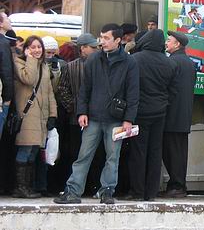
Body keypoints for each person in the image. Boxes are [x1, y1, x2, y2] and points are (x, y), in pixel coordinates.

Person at [54, 23, 139, 205]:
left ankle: (107, 190)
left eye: (107, 38)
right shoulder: (94, 59)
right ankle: (73, 190)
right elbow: (85, 89)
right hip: (93, 116)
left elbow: (133, 93)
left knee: (112, 157)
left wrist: (128, 119)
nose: (102, 42)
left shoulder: (130, 62)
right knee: (84, 155)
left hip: (116, 118)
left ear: (118, 40)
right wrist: (82, 111)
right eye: (101, 37)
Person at [126, 29, 177, 201]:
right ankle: (151, 192)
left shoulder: (134, 60)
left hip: (139, 113)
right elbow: (172, 89)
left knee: (138, 153)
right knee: (155, 152)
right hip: (160, 113)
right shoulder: (169, 63)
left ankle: (138, 191)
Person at [12, 36, 57, 198]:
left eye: (39, 47)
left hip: (41, 116)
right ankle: (20, 187)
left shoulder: (44, 67)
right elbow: (29, 79)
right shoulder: (20, 63)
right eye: (33, 47)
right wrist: (30, 59)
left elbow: (50, 92)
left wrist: (53, 114)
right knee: (25, 149)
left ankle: (28, 186)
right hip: (27, 114)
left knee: (33, 151)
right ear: (26, 49)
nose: (37, 50)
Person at [56, 33, 101, 194]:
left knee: (95, 154)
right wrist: (75, 108)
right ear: (83, 48)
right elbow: (62, 90)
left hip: (94, 117)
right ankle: (77, 186)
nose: (97, 49)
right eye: (93, 47)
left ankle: (92, 186)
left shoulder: (101, 65)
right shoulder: (71, 67)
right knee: (76, 154)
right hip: (77, 119)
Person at [161, 31, 196, 198]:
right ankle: (179, 184)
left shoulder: (172, 62)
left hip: (171, 115)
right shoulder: (190, 63)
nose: (167, 42)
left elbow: (168, 90)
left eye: (169, 40)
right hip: (184, 115)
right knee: (180, 152)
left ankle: (177, 185)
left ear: (177, 45)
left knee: (171, 152)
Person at [0, 12, 14, 136]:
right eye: (7, 19)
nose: (10, 21)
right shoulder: (3, 43)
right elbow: (6, 71)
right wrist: (7, 97)